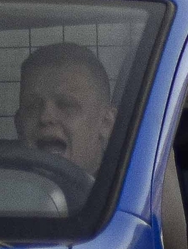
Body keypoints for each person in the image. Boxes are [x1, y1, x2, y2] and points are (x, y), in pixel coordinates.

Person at [13, 42, 116, 178]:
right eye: (32, 106)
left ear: (106, 123)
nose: (45, 117)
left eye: (67, 105)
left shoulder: (132, 193)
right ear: (18, 124)